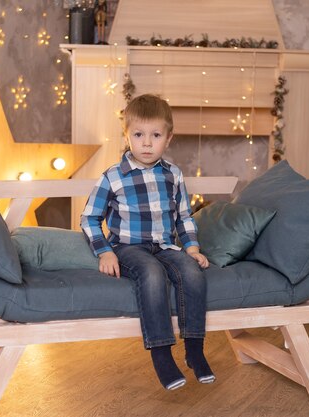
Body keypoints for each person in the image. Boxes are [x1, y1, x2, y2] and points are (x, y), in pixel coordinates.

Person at [81, 94, 215, 390]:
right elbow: (89, 218)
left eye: (155, 135)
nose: (146, 143)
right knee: (152, 274)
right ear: (127, 135)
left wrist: (191, 248)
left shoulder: (173, 175)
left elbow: (183, 215)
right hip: (128, 248)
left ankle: (195, 350)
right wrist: (105, 252)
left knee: (192, 273)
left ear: (168, 138)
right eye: (138, 135)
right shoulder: (113, 177)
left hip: (166, 246)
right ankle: (161, 354)